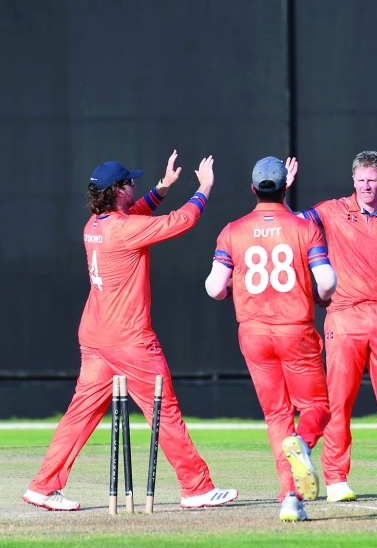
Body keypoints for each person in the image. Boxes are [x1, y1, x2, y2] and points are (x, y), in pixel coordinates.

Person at [23, 151, 238, 511]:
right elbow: (181, 222)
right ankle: (197, 487)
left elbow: (134, 216)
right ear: (118, 190)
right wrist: (204, 189)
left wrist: (162, 187)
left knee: (80, 415)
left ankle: (43, 486)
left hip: (95, 338)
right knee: (164, 411)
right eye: (131, 184)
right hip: (130, 341)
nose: (135, 187)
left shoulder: (95, 225)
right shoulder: (123, 230)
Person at [205, 157, 336, 523]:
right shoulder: (303, 227)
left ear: (252, 189)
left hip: (253, 332)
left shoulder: (233, 230)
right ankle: (304, 448)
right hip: (294, 328)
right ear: (285, 188)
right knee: (316, 408)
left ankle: (290, 499)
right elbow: (326, 283)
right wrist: (320, 295)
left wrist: (236, 285)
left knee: (277, 415)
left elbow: (215, 287)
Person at [289, 151, 377, 503]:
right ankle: (335, 479)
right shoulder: (331, 210)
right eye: (361, 179)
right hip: (344, 314)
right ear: (353, 180)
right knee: (338, 400)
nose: (366, 186)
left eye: (372, 179)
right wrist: (284, 191)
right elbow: (289, 225)